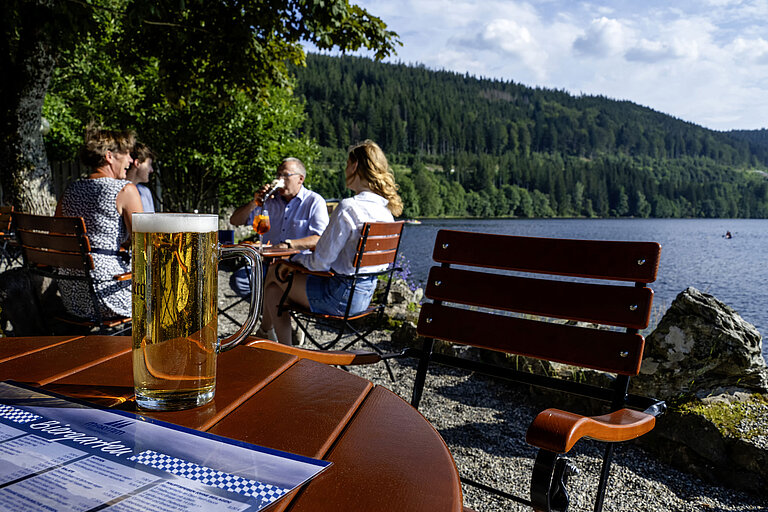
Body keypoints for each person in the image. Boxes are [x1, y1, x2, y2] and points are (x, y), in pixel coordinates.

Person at [259, 140, 403, 344]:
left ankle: (274, 341)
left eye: (347, 164)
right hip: (365, 298)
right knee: (274, 290)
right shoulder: (386, 212)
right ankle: (282, 346)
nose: (345, 170)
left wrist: (293, 263)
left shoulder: (349, 207)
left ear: (354, 166)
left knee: (275, 272)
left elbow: (320, 262)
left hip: (339, 297)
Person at [55, 127, 143, 320]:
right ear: (109, 156)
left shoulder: (70, 190)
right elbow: (144, 245)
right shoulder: (125, 190)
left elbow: (59, 238)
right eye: (126, 153)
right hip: (107, 293)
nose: (130, 160)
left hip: (72, 295)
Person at [228, 157, 329, 298]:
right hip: (267, 264)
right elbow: (235, 220)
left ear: (300, 179)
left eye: (285, 175)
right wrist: (255, 201)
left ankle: (273, 309)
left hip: (296, 266)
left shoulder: (314, 201)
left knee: (276, 285)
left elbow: (320, 239)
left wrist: (287, 245)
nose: (280, 179)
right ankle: (272, 308)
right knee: (239, 281)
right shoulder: (269, 201)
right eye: (278, 175)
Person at [126, 142, 156, 213]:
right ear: (137, 163)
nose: (151, 170)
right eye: (149, 164)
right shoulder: (117, 191)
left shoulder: (145, 192)